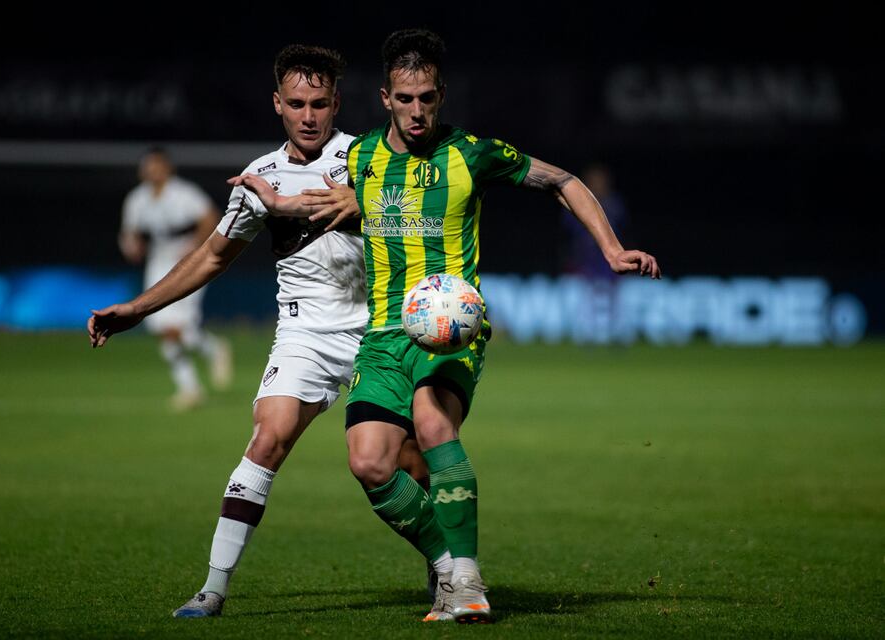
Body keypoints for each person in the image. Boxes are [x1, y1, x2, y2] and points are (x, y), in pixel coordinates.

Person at [230, 28, 661, 624]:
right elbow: (335, 207)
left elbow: (561, 180)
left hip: (451, 328)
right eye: (405, 98)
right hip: (384, 336)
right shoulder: (360, 159)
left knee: (432, 421)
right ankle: (447, 566)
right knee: (370, 462)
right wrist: (277, 205)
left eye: (427, 98)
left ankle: (469, 581)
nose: (416, 111)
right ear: (385, 96)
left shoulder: (472, 154)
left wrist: (611, 250)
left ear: (441, 96)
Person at [89, 44, 431, 619]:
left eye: (319, 103)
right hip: (306, 335)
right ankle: (214, 588)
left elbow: (421, 218)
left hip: (380, 328)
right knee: (265, 439)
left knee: (405, 459)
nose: (308, 115)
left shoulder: (370, 158)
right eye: (296, 103)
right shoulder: (260, 177)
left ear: (336, 103)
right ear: (277, 104)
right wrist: (140, 308)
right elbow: (211, 257)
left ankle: (442, 559)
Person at [119, 147, 233, 410]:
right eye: (148, 166)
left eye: (157, 165)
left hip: (189, 261)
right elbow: (130, 233)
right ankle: (197, 374)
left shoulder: (184, 193)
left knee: (177, 325)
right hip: (158, 260)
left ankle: (199, 370)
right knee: (159, 326)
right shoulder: (137, 200)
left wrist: (195, 244)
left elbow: (211, 218)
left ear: (167, 167)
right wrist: (131, 245)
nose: (153, 171)